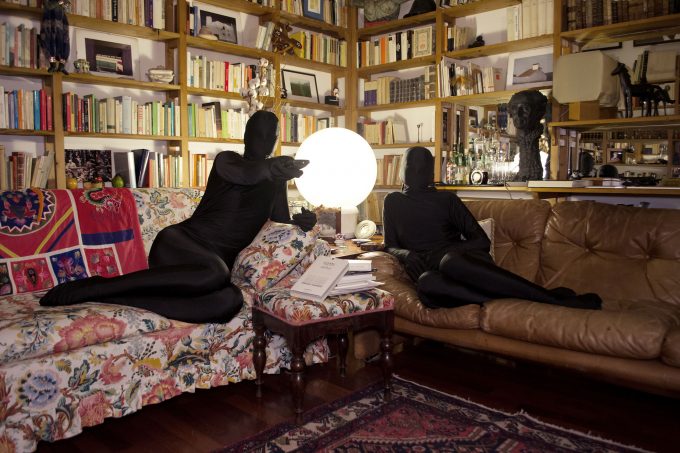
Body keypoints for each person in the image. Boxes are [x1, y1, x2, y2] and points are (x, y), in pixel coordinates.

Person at [40, 111, 317, 323]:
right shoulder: (228, 161)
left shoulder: (275, 179)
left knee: (229, 301)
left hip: (210, 268)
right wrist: (272, 167)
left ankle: (122, 298)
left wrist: (302, 222)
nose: (265, 141)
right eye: (259, 134)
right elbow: (248, 175)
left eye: (271, 136)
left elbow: (280, 219)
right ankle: (99, 287)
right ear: (246, 135)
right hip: (179, 245)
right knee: (215, 273)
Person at [383, 146, 601, 310]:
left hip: (463, 265)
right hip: (434, 274)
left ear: (431, 173)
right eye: (410, 166)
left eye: (422, 168)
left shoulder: (447, 200)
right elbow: (390, 245)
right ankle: (520, 301)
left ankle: (549, 299)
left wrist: (444, 253)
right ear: (401, 171)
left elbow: (481, 241)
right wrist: (406, 254)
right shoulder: (392, 201)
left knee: (450, 261)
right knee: (426, 284)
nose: (415, 171)